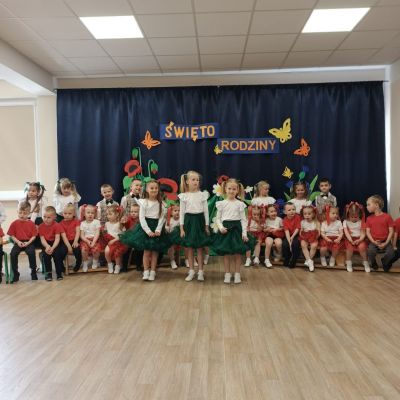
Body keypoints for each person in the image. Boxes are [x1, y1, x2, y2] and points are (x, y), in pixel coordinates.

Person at [120, 179, 169, 281]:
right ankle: (146, 271)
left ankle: (153, 271)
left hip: (157, 228)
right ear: (146, 189)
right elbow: (141, 218)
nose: (154, 190)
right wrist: (148, 231)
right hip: (146, 227)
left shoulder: (162, 203)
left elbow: (162, 218)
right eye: (152, 188)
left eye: (156, 188)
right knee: (146, 252)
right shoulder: (143, 202)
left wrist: (158, 229)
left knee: (155, 252)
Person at [212, 178, 253, 284]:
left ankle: (237, 274)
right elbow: (218, 219)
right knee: (226, 254)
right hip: (225, 230)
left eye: (234, 189)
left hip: (237, 229)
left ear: (237, 190)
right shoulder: (221, 203)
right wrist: (221, 227)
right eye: (229, 188)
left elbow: (243, 220)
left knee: (238, 253)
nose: (231, 191)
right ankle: (227, 274)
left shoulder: (240, 204)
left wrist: (244, 233)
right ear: (225, 189)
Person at [178, 170, 211, 282]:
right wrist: (181, 228)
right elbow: (182, 213)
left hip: (200, 222)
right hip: (189, 222)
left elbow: (206, 212)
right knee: (190, 248)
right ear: (187, 181)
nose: (196, 181)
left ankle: (201, 271)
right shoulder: (184, 196)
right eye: (193, 179)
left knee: (200, 248)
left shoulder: (202, 195)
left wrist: (206, 226)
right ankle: (191, 271)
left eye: (197, 180)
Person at [7, 201, 38, 282]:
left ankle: (33, 271)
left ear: (28, 213)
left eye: (24, 213)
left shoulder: (31, 223)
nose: (22, 215)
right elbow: (12, 235)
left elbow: (34, 236)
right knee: (13, 254)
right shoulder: (14, 223)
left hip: (29, 242)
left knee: (31, 252)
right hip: (18, 242)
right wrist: (18, 242)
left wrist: (28, 243)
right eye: (20, 212)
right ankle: (16, 273)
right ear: (17, 211)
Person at [366, 195, 395, 272]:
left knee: (391, 253)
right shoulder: (369, 218)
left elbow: (391, 231)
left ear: (376, 205)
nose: (367, 207)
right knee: (370, 251)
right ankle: (373, 263)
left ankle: (385, 261)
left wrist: (386, 243)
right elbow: (368, 232)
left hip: (386, 241)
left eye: (369, 204)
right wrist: (373, 241)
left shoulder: (387, 217)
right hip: (374, 241)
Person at [38, 206, 64, 281]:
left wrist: (52, 248)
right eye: (44, 217)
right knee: (46, 256)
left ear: (54, 217)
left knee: (57, 255)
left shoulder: (57, 225)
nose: (46, 219)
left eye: (48, 217)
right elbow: (42, 239)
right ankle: (48, 274)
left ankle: (59, 273)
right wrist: (47, 246)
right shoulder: (41, 226)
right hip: (45, 243)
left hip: (55, 243)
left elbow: (57, 238)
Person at [343, 202, 370, 272]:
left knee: (362, 247)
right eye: (351, 217)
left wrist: (360, 240)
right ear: (348, 215)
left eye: (356, 217)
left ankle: (365, 262)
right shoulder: (345, 222)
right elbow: (346, 232)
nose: (354, 219)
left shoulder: (361, 222)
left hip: (359, 238)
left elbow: (363, 233)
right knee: (349, 248)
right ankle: (348, 262)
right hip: (350, 238)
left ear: (359, 215)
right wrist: (351, 240)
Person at [103, 205, 128, 274]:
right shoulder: (106, 224)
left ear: (117, 214)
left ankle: (117, 265)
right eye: (107, 214)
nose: (108, 216)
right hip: (110, 242)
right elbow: (106, 233)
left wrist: (114, 240)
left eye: (110, 214)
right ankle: (110, 264)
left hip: (118, 242)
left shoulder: (119, 224)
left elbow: (123, 234)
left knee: (117, 253)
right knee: (106, 251)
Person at [59, 203, 82, 272]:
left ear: (73, 214)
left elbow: (78, 232)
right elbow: (63, 236)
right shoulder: (61, 223)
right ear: (62, 213)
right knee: (61, 252)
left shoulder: (76, 221)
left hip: (75, 240)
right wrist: (68, 246)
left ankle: (78, 263)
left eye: (69, 213)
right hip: (65, 241)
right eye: (65, 213)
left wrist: (75, 241)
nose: (67, 215)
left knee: (77, 251)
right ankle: (61, 266)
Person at [80, 204, 102, 272]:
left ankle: (95, 261)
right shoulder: (82, 223)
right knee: (84, 250)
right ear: (84, 214)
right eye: (88, 213)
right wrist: (87, 241)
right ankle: (85, 263)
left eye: (92, 213)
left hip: (95, 239)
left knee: (96, 250)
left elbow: (97, 233)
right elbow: (82, 235)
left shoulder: (96, 222)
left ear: (94, 214)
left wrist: (93, 242)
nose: (90, 214)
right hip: (85, 240)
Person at [299, 205, 320, 272]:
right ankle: (310, 261)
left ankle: (308, 260)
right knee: (303, 244)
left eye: (309, 214)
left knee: (314, 245)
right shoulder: (302, 222)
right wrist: (302, 235)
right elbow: (301, 231)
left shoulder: (316, 222)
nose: (307, 215)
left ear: (313, 214)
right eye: (305, 214)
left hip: (313, 236)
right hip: (305, 236)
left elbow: (318, 232)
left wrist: (314, 236)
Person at [282, 202, 301, 268]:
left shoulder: (297, 217)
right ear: (285, 212)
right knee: (285, 244)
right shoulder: (285, 220)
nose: (292, 211)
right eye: (289, 210)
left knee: (295, 244)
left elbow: (298, 228)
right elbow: (286, 231)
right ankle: (287, 258)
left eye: (293, 209)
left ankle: (294, 260)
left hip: (296, 234)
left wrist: (292, 238)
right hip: (288, 235)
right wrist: (289, 241)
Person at [165, 204, 181, 269]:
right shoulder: (169, 220)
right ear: (171, 213)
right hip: (171, 237)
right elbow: (167, 229)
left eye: (179, 211)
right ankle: (172, 260)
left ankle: (179, 258)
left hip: (179, 238)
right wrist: (167, 229)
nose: (177, 212)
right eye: (175, 211)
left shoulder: (181, 220)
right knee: (171, 247)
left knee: (178, 249)